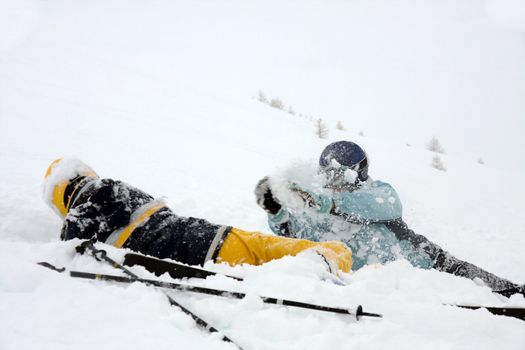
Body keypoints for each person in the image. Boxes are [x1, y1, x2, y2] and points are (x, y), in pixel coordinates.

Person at [255, 140, 523, 295]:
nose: (334, 182)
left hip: (432, 264)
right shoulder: (317, 208)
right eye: (329, 176)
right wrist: (277, 212)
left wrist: (326, 202)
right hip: (387, 287)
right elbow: (296, 240)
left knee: (502, 292)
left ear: (359, 173)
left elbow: (382, 207)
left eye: (341, 175)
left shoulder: (379, 191)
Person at [43, 157, 352, 273]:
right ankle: (338, 257)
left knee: (270, 267)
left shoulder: (77, 222)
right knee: (269, 248)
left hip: (203, 257)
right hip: (212, 233)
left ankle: (329, 266)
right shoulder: (125, 190)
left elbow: (69, 255)